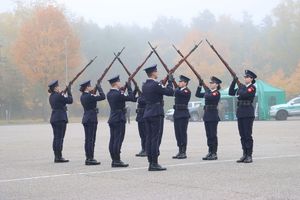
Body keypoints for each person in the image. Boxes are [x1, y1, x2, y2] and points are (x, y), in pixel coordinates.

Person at [142, 64, 174, 171]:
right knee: (155, 138)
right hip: (156, 113)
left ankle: (151, 161)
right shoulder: (156, 85)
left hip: (147, 112)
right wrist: (170, 81)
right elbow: (170, 92)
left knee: (149, 138)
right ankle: (154, 163)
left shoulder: (145, 85)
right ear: (153, 73)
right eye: (156, 71)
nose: (157, 73)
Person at [229, 70, 257, 163]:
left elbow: (244, 94)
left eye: (247, 77)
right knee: (242, 135)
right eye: (245, 77)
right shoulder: (242, 87)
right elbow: (231, 92)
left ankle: (249, 155)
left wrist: (240, 88)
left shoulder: (252, 87)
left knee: (247, 134)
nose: (245, 78)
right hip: (240, 113)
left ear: (251, 79)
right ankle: (244, 154)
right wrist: (234, 81)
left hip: (248, 113)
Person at [107, 75, 135, 167]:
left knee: (112, 140)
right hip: (119, 118)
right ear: (115, 83)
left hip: (112, 118)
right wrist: (130, 87)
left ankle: (114, 159)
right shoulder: (119, 94)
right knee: (118, 140)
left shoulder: (109, 94)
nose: (120, 84)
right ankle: (117, 160)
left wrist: (124, 90)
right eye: (119, 82)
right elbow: (131, 97)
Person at [79, 80, 106, 165]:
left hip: (86, 118)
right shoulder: (89, 96)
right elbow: (103, 97)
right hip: (91, 119)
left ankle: (89, 157)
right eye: (90, 86)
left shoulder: (83, 96)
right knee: (91, 140)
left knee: (88, 139)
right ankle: (90, 158)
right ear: (87, 87)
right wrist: (99, 88)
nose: (91, 87)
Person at [196, 76, 222, 160]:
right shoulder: (208, 92)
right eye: (210, 83)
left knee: (213, 135)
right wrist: (200, 86)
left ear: (217, 85)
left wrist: (206, 89)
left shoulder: (216, 93)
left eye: (212, 83)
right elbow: (198, 94)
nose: (211, 84)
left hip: (213, 116)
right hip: (207, 115)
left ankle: (214, 153)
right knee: (208, 135)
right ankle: (210, 151)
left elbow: (209, 97)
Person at [48, 80, 73, 163]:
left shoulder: (51, 96)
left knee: (56, 138)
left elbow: (60, 102)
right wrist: (69, 90)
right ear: (55, 88)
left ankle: (56, 156)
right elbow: (70, 100)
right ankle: (59, 157)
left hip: (54, 118)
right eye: (58, 86)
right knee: (60, 138)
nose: (59, 88)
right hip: (60, 118)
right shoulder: (59, 95)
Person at [172, 75, 191, 159]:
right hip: (177, 114)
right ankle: (180, 150)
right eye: (179, 81)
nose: (179, 83)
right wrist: (173, 82)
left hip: (183, 115)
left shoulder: (187, 91)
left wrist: (173, 82)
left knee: (182, 133)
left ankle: (183, 151)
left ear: (185, 83)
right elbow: (175, 92)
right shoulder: (179, 90)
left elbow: (176, 92)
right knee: (177, 133)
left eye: (181, 81)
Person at [134, 89, 147, 157]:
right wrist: (135, 90)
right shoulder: (140, 96)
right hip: (140, 117)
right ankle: (143, 148)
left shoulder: (147, 96)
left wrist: (140, 96)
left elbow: (142, 101)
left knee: (145, 135)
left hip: (144, 118)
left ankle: (146, 149)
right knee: (141, 135)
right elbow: (133, 98)